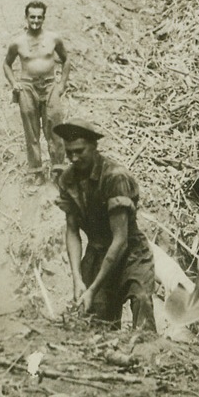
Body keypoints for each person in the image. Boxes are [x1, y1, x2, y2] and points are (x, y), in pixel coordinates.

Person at [53, 118, 157, 330]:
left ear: (94, 147)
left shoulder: (114, 177)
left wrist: (92, 288)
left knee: (142, 301)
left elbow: (120, 240)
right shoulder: (67, 179)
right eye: (69, 151)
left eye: (79, 151)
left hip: (130, 252)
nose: (73, 157)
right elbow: (72, 231)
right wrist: (77, 279)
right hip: (98, 252)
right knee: (97, 324)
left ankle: (148, 357)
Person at [4, 1, 69, 179]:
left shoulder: (53, 38)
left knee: (55, 126)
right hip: (27, 87)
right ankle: (36, 171)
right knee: (31, 131)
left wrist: (62, 84)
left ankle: (58, 169)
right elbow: (7, 64)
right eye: (32, 17)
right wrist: (13, 83)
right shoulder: (17, 42)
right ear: (26, 17)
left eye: (39, 17)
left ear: (44, 18)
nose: (35, 21)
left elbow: (66, 59)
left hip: (49, 86)